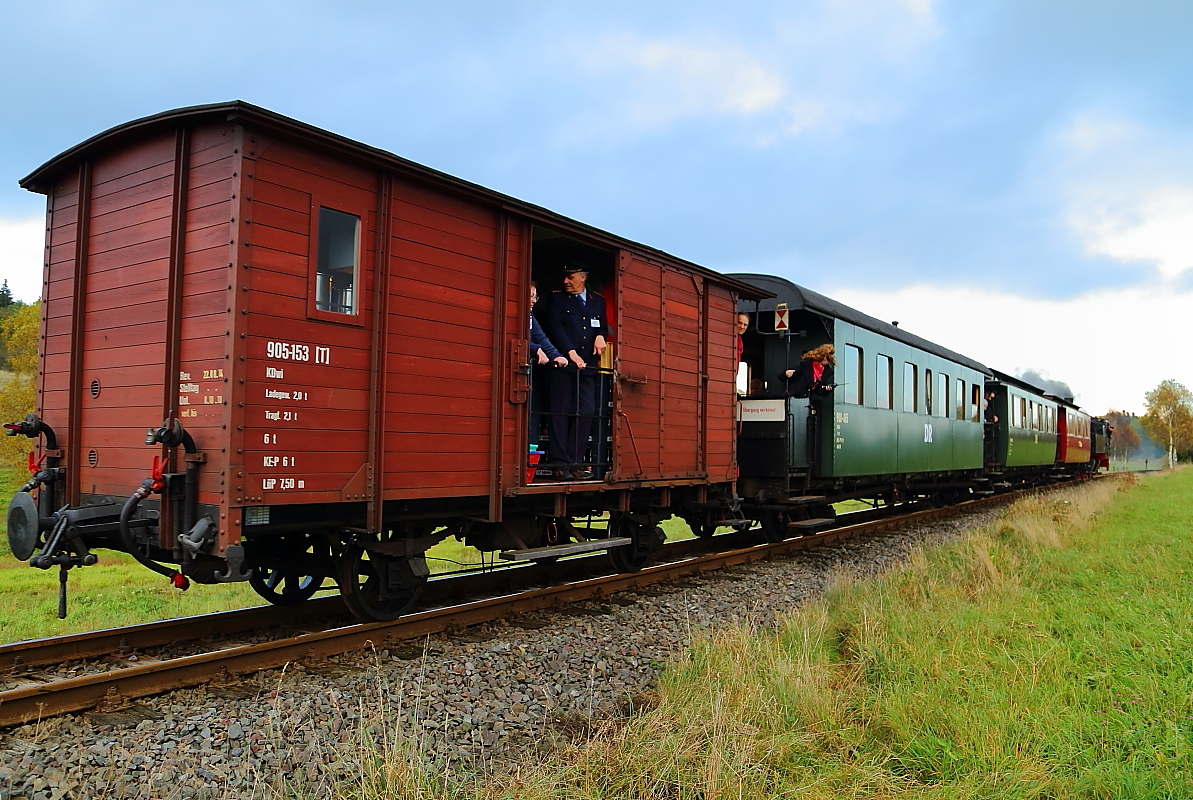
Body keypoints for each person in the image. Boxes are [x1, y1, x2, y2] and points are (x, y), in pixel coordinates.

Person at [535, 262, 609, 480]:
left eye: (571, 277)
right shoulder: (556, 299)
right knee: (560, 412)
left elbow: (601, 326)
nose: (566, 281)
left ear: (583, 277)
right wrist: (569, 352)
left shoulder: (598, 301)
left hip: (587, 366)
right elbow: (554, 328)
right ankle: (560, 464)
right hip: (562, 365)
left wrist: (600, 336)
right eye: (565, 277)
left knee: (586, 411)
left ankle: (575, 462)